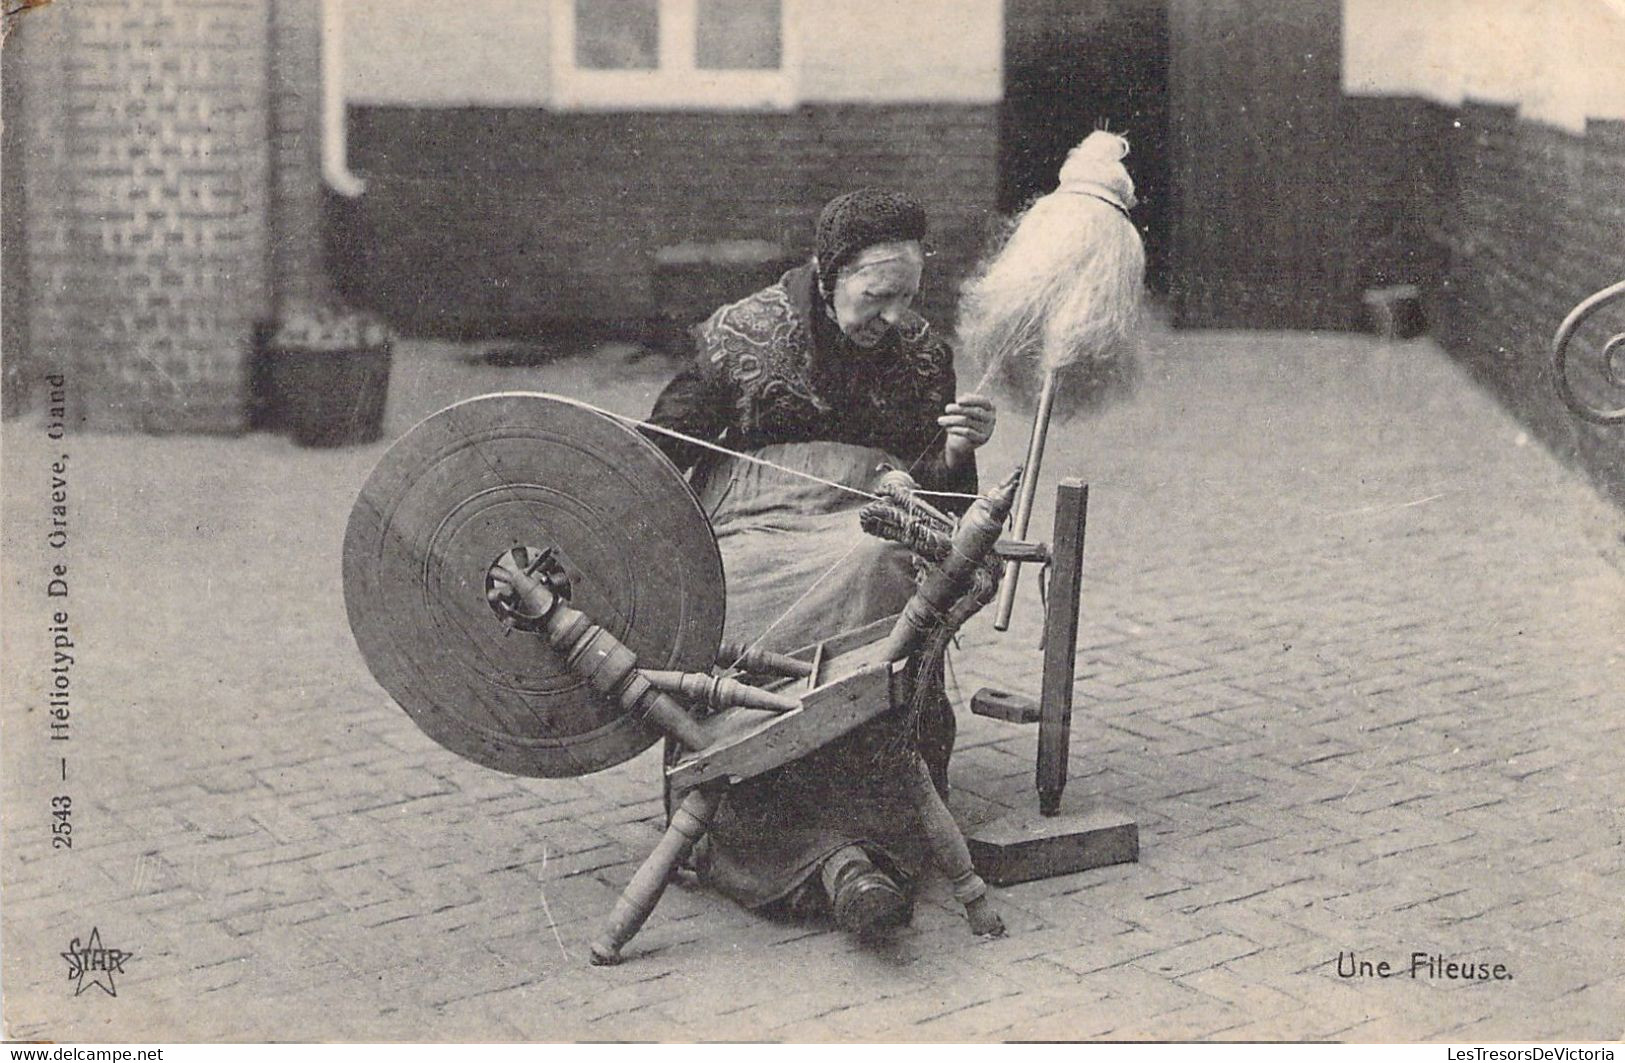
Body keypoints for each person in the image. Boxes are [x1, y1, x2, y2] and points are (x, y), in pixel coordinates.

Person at [642, 188, 997, 936]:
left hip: (864, 535)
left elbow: (937, 505)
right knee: (795, 601)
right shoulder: (742, 335)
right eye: (876, 295)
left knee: (883, 565)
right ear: (829, 271)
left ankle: (856, 860)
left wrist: (958, 449)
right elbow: (657, 451)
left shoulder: (924, 354)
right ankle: (813, 857)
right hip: (754, 536)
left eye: (907, 296)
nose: (894, 316)